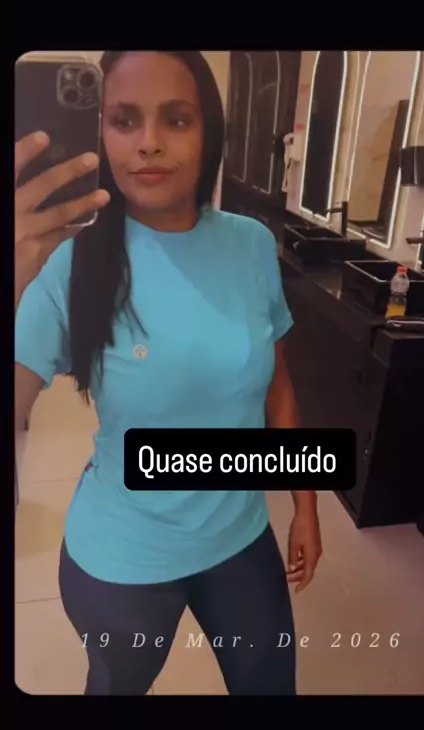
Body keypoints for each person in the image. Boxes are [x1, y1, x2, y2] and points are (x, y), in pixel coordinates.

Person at [15, 51, 323, 695]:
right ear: (99, 133)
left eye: (176, 120)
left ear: (209, 132)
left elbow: (278, 386)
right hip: (124, 558)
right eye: (124, 120)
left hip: (241, 539)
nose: (149, 143)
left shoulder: (250, 243)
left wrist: (305, 505)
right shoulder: (69, 260)